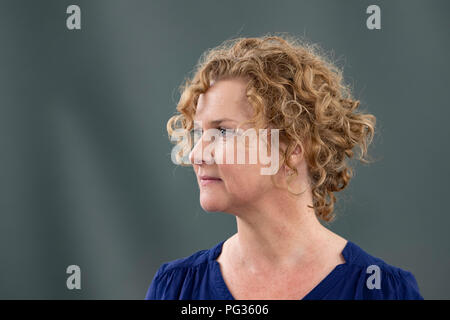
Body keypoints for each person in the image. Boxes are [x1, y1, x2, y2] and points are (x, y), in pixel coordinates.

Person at [145, 34, 423, 300]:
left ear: (292, 148)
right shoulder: (176, 288)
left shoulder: (382, 292)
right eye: (197, 133)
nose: (196, 154)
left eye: (223, 132)